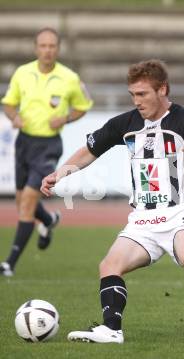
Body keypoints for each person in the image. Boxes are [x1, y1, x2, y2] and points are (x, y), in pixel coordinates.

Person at [40, 59, 184, 344]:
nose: (137, 101)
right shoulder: (126, 123)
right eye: (133, 94)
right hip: (143, 219)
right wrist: (59, 174)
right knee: (109, 266)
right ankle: (111, 329)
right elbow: (90, 150)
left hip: (179, 211)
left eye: (142, 94)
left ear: (162, 89)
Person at [0, 27, 93, 277]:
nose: (47, 50)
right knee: (22, 202)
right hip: (24, 142)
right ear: (36, 48)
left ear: (58, 49)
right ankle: (50, 220)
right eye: (43, 45)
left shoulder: (69, 78)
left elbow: (83, 106)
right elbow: (8, 103)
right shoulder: (23, 73)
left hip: (49, 145)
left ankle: (9, 263)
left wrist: (65, 118)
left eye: (52, 46)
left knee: (28, 201)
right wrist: (14, 117)